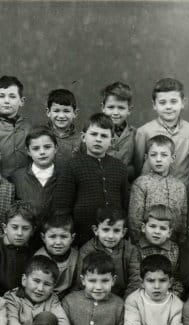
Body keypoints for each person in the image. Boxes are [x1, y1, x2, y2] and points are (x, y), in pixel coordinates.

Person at [53, 113, 130, 247]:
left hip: (113, 237)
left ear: (112, 141)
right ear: (84, 137)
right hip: (82, 237)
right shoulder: (72, 166)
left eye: (104, 136)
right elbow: (62, 207)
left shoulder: (120, 167)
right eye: (94, 134)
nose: (98, 139)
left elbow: (125, 204)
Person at [134, 78, 189, 187]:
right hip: (152, 190)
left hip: (182, 190)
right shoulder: (144, 132)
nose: (168, 107)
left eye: (173, 101)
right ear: (154, 104)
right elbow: (137, 167)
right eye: (162, 102)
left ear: (183, 103)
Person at [128, 135, 187, 243]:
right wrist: (139, 243)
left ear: (172, 158)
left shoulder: (180, 186)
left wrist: (181, 242)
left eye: (164, 155)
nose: (158, 159)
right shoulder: (141, 183)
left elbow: (183, 218)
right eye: (153, 155)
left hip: (173, 245)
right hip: (145, 244)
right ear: (146, 157)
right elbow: (134, 220)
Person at [74, 206, 141, 298]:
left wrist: (126, 301)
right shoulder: (86, 251)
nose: (110, 236)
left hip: (123, 297)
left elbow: (136, 280)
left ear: (123, 232)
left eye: (116, 230)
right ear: (96, 230)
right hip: (94, 295)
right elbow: (81, 282)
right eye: (106, 230)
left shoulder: (130, 250)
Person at [0, 201, 37, 296]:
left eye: (25, 228)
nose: (19, 233)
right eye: (14, 227)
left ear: (32, 231)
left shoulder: (32, 252)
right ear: (5, 228)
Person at [10, 127, 59, 221]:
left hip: (56, 229)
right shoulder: (16, 178)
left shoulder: (65, 175)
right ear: (28, 151)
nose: (42, 152)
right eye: (36, 148)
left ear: (56, 148)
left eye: (47, 147)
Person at [33, 210, 79, 297]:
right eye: (52, 236)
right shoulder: (39, 258)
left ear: (72, 238)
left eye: (63, 236)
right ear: (43, 238)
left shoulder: (77, 256)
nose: (58, 242)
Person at [100, 81, 136, 179]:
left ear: (129, 110)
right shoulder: (94, 134)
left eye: (121, 108)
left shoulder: (137, 135)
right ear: (103, 107)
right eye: (111, 107)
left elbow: (138, 166)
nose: (115, 112)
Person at [134, 205, 180, 269]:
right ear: (143, 228)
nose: (157, 232)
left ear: (169, 233)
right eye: (152, 226)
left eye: (163, 228)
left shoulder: (174, 249)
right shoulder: (136, 250)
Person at [45, 88, 81, 167]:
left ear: (75, 113)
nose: (61, 116)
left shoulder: (81, 140)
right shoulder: (40, 136)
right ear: (48, 112)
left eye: (66, 111)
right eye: (56, 111)